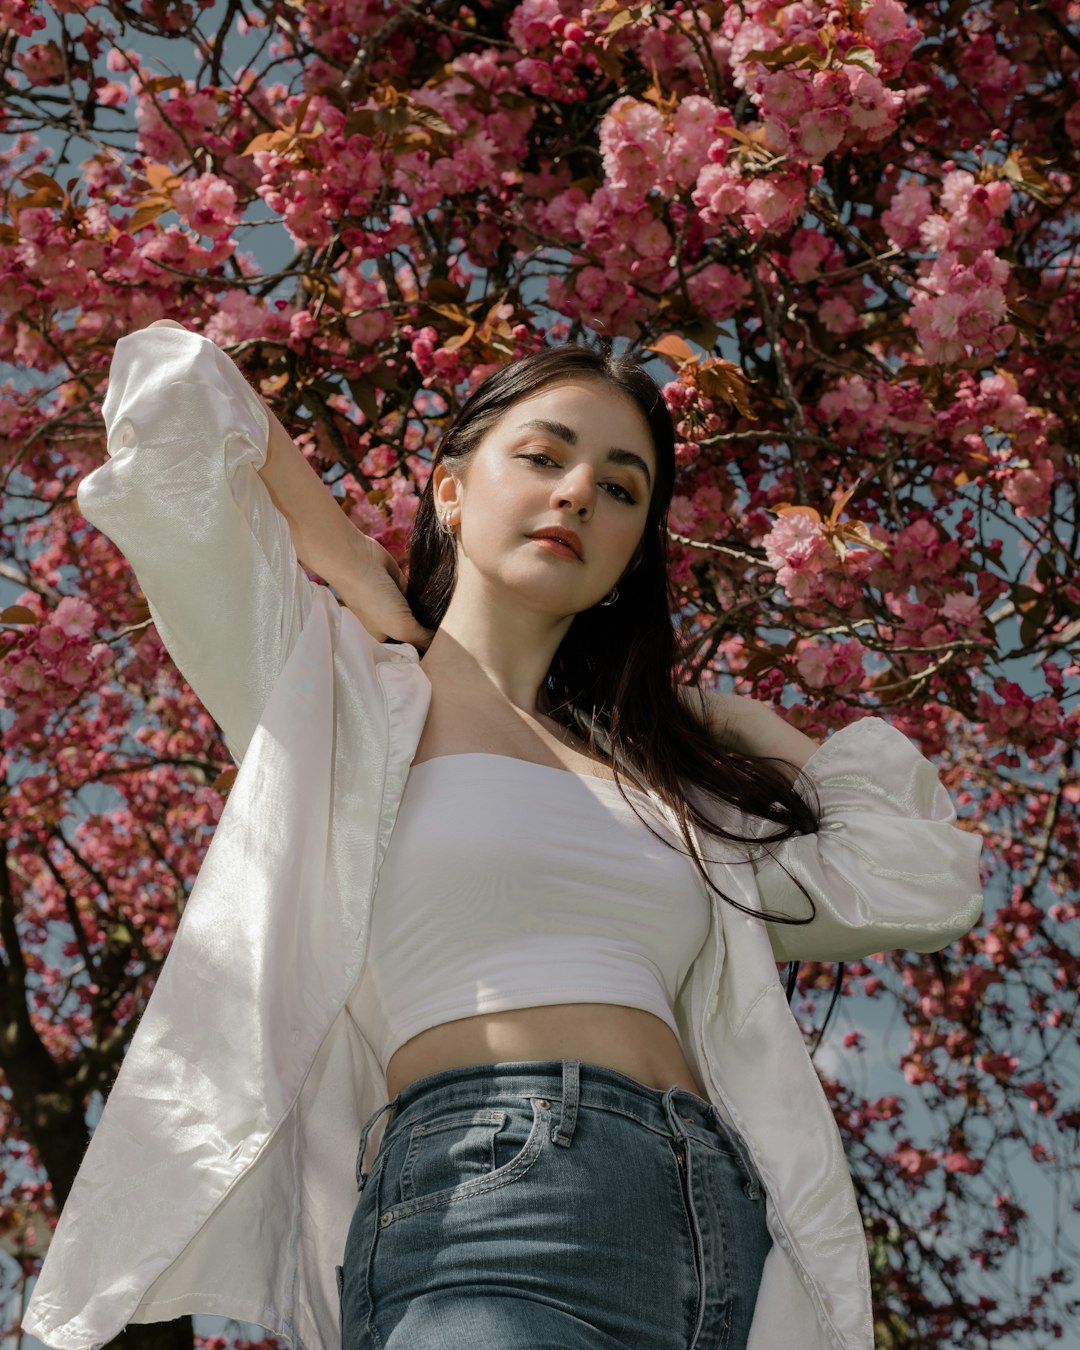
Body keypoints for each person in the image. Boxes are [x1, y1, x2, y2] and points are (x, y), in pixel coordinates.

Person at [24, 322, 984, 1350]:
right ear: (451, 488)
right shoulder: (341, 693)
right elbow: (172, 392)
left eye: (621, 489)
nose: (577, 492)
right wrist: (346, 556)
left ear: (627, 556)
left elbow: (922, 879)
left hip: (721, 1238)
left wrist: (730, 722)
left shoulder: (664, 788)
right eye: (543, 455)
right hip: (489, 1208)